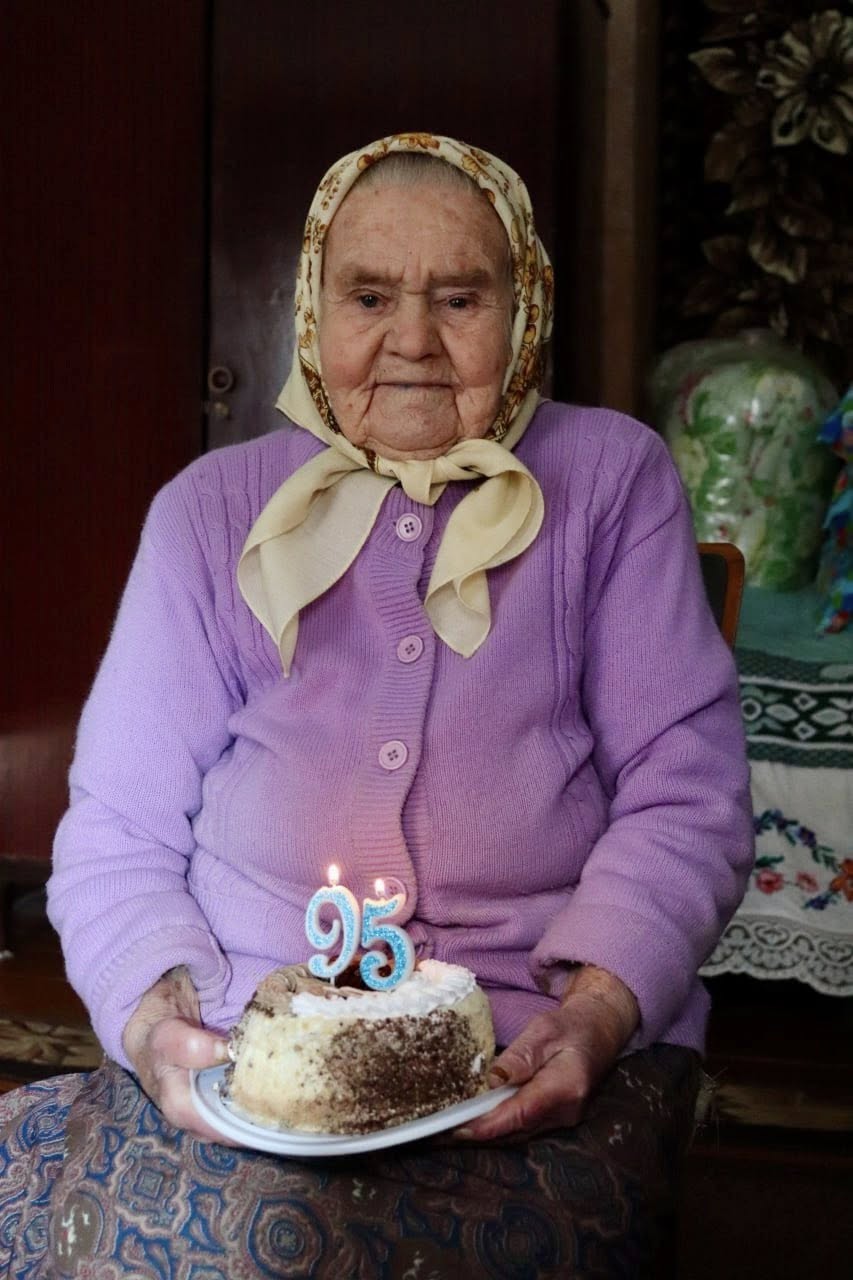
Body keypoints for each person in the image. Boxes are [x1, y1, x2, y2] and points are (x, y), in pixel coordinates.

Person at [0, 133, 753, 1278]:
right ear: (313, 309)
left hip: (528, 1042)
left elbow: (686, 796)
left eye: (459, 297)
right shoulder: (209, 511)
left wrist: (597, 1012)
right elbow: (117, 827)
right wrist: (159, 1029)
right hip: (251, 1046)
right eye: (368, 296)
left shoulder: (612, 482)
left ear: (525, 309)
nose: (411, 339)